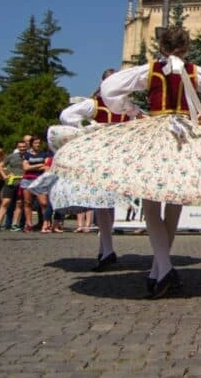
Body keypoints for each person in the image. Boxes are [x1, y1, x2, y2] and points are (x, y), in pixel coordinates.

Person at [52, 26, 201, 297]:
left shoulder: (149, 70)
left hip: (156, 129)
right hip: (186, 132)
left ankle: (160, 269)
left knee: (151, 198)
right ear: (186, 48)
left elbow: (109, 88)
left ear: (161, 48)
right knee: (175, 198)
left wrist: (129, 109)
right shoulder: (196, 72)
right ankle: (160, 268)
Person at [45, 68, 138, 270]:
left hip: (115, 157)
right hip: (98, 157)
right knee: (102, 202)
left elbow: (136, 125)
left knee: (106, 202)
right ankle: (106, 250)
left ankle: (106, 248)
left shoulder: (128, 107)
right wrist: (87, 129)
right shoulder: (94, 104)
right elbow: (67, 116)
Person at [20, 136, 53, 232]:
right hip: (27, 180)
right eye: (35, 143)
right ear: (31, 144)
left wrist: (32, 166)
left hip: (40, 180)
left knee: (43, 203)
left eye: (39, 143)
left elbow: (46, 167)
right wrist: (39, 165)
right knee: (27, 202)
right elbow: (25, 168)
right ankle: (29, 224)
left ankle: (45, 223)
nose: (38, 145)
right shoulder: (26, 155)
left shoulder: (44, 154)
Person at [0, 142, 26, 231]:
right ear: (17, 147)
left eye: (24, 147)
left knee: (19, 203)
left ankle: (15, 224)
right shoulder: (12, 156)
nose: (22, 148)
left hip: (22, 183)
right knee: (5, 202)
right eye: (20, 147)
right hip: (11, 183)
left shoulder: (28, 156)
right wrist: (4, 176)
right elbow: (0, 166)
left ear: (26, 147)